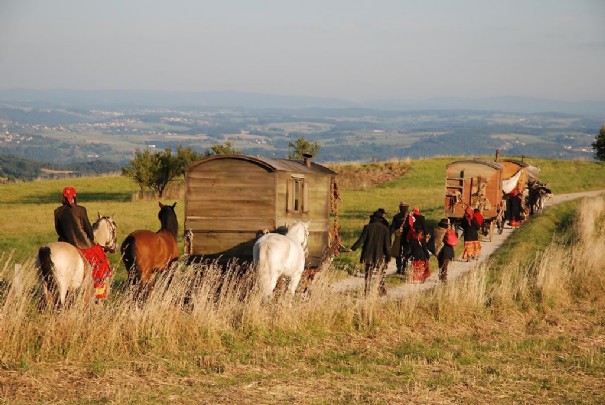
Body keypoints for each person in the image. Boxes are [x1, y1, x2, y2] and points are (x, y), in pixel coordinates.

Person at [54, 187, 112, 301]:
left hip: (65, 242)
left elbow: (58, 230)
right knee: (101, 262)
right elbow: (88, 228)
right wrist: (92, 239)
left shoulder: (57, 211)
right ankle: (98, 294)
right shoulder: (81, 209)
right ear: (75, 197)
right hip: (82, 244)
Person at [350, 210, 391, 296]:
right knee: (381, 273)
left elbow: (361, 240)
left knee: (368, 274)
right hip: (380, 255)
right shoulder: (385, 230)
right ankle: (380, 290)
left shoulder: (367, 227)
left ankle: (367, 290)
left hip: (368, 255)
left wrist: (353, 248)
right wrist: (388, 257)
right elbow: (387, 246)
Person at [430, 218, 456, 282]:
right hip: (446, 249)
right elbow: (452, 239)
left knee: (440, 263)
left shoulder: (436, 230)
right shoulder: (447, 231)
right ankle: (444, 277)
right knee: (445, 264)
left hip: (437, 249)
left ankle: (441, 275)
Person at [390, 201, 410, 275]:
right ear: (407, 208)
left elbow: (392, 227)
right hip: (407, 237)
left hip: (398, 236)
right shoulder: (409, 217)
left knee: (397, 252)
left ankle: (399, 267)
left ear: (400, 208)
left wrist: (389, 234)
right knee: (406, 252)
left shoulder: (396, 216)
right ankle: (404, 267)